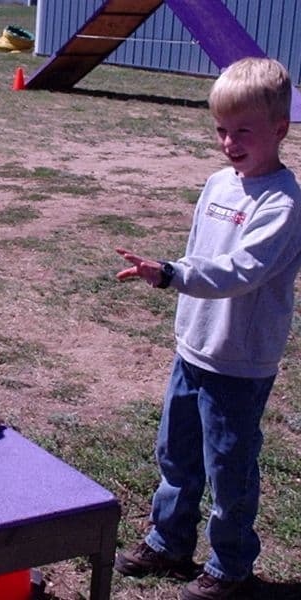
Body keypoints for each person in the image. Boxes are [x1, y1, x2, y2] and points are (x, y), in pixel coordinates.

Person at [114, 57, 301, 600]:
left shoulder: (283, 203)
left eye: (243, 130)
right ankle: (169, 540)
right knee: (176, 454)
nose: (228, 142)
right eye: (221, 129)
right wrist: (179, 284)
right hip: (193, 346)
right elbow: (201, 253)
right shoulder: (219, 183)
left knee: (229, 466)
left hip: (238, 362)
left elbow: (240, 272)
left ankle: (230, 564)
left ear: (280, 129)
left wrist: (171, 274)